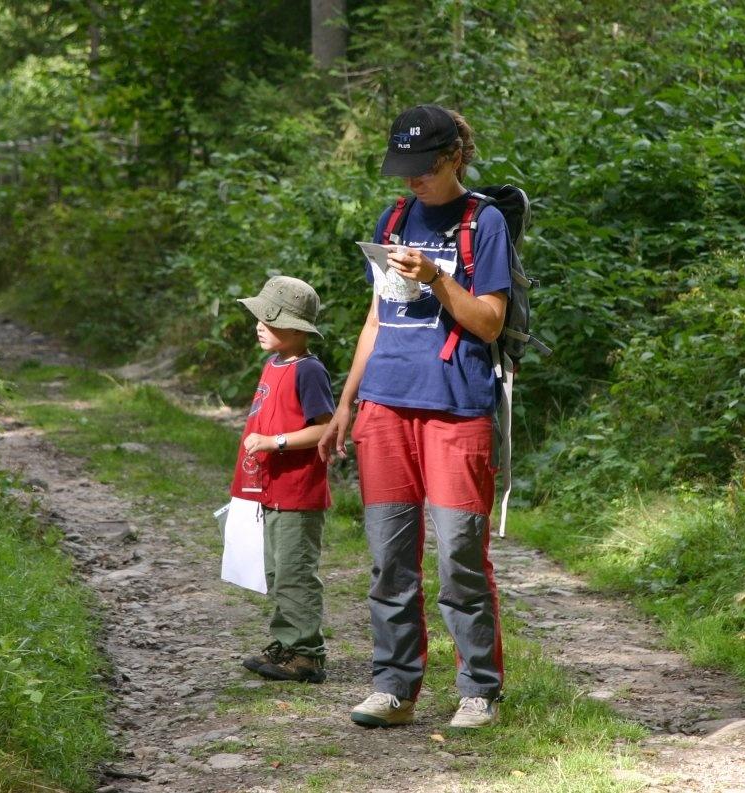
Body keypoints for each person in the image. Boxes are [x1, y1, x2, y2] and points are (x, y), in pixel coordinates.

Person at [319, 104, 509, 728]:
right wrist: (346, 403)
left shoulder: (485, 223)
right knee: (389, 555)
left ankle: (478, 690)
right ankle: (394, 687)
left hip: (456, 406)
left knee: (459, 552)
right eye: (403, 170)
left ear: (454, 157)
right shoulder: (395, 217)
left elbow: (488, 321)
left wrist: (434, 277)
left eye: (422, 170)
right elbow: (377, 317)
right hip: (385, 405)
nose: (411, 183)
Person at [232, 276, 335, 684]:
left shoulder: (308, 371)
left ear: (296, 330)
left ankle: (307, 655)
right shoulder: (273, 363)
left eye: (269, 320)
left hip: (298, 492)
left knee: (294, 572)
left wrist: (275, 441)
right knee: (276, 571)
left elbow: (324, 429)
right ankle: (286, 643)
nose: (259, 325)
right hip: (271, 492)